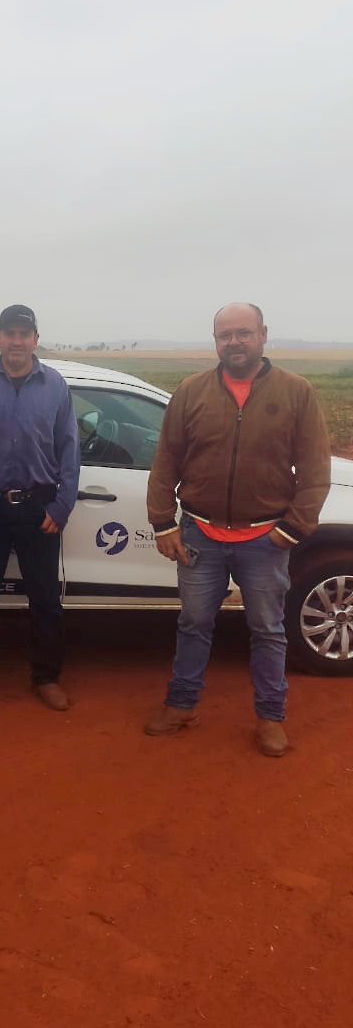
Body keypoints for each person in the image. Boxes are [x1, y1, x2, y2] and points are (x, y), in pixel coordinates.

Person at [145, 303, 332, 757]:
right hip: (200, 536)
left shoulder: (296, 392)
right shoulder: (191, 393)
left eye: (243, 333)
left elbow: (315, 468)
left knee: (268, 630)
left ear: (263, 335)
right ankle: (182, 703)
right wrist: (163, 522)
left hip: (264, 540)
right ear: (215, 341)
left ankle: (271, 717)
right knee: (193, 624)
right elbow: (166, 460)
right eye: (225, 335)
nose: (234, 342)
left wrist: (292, 530)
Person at [0, 305, 80, 711]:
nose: (17, 341)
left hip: (38, 508)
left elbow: (69, 451)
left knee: (44, 599)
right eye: (10, 333)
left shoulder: (55, 386)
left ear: (35, 339)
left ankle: (46, 677)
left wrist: (60, 507)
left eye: (25, 334)